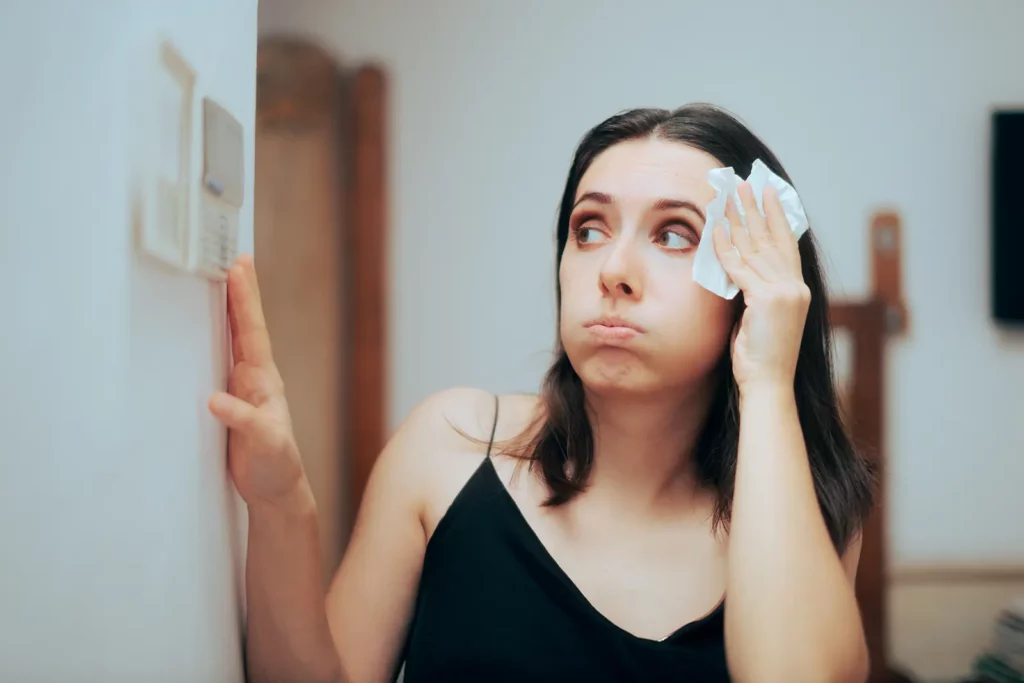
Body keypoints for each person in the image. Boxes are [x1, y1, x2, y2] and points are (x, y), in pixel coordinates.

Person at [208, 104, 876, 683]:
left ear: (749, 281)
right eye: (589, 229)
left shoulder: (806, 509)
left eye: (674, 234)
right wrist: (280, 503)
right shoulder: (448, 448)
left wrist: (765, 376)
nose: (613, 270)